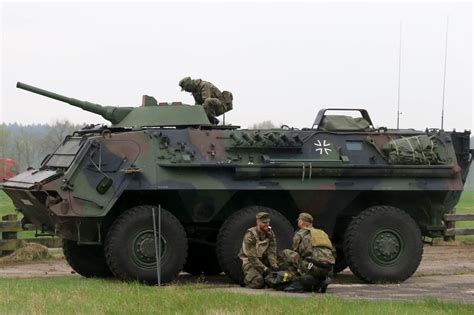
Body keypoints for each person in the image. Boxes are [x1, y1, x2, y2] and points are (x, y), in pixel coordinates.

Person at [279, 212, 335, 293]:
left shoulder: (300, 234)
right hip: (328, 269)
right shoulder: (322, 233)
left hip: (312, 267)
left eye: (299, 221)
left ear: (301, 222)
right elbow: (333, 251)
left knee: (286, 253)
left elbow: (296, 252)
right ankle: (323, 280)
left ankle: (297, 281)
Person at [238, 212, 279, 289]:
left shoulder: (270, 233)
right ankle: (245, 280)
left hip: (263, 260)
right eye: (264, 223)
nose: (267, 224)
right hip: (250, 262)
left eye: (268, 222)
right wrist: (266, 270)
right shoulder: (250, 235)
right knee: (258, 283)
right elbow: (252, 257)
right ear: (258, 222)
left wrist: (274, 266)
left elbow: (272, 251)